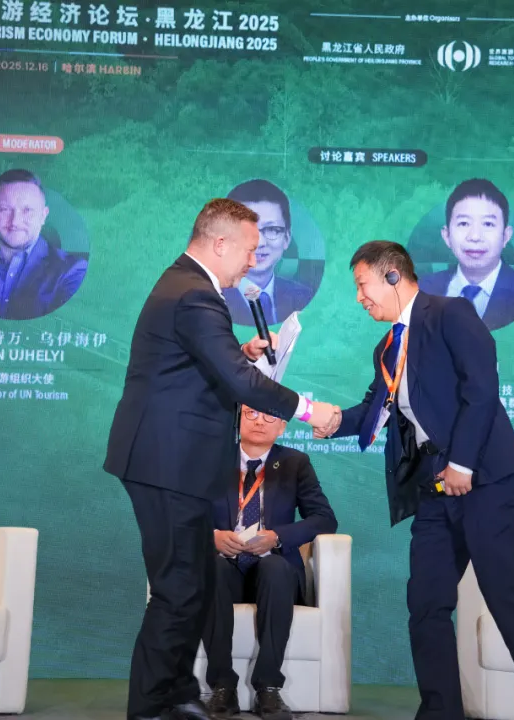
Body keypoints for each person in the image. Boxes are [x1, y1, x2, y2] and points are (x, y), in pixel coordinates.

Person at [104, 198, 342, 720]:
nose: (254, 261)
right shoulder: (195, 294)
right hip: (166, 462)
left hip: (174, 462)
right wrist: (309, 409)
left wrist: (243, 353)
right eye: (250, 249)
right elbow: (238, 382)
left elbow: (206, 366)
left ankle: (174, 694)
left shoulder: (188, 287)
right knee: (177, 588)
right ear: (219, 243)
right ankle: (153, 706)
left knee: (188, 585)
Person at [318, 241, 514, 720]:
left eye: (362, 285)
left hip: (485, 480)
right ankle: (440, 712)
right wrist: (332, 420)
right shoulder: (387, 347)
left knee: (504, 594)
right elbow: (374, 409)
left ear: (393, 276)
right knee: (426, 601)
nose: (359, 298)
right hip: (432, 488)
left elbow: (482, 390)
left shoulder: (449, 314)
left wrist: (463, 463)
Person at [203, 405, 337, 720]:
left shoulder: (295, 463)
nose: (260, 422)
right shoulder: (210, 458)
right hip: (226, 566)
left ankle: (268, 688)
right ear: (238, 419)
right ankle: (222, 687)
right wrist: (213, 537)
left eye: (270, 417)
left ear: (282, 428)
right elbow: (181, 515)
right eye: (251, 414)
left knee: (275, 568)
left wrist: (277, 537)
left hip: (272, 570)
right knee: (212, 568)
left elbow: (324, 519)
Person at [0, 169, 88, 319]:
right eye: (5, 209)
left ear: (43, 216)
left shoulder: (72, 272)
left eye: (27, 210)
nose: (15, 221)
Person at [418, 178, 514, 330]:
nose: (475, 236)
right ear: (446, 235)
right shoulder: (422, 290)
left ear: (506, 236)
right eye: (464, 223)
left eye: (488, 224)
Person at [220, 180, 314, 326]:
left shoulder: (304, 296)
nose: (260, 243)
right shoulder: (211, 299)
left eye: (272, 230)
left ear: (287, 238)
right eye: (247, 231)